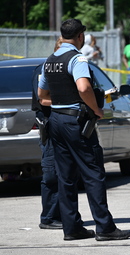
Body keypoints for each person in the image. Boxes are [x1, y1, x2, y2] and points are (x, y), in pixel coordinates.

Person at [38, 18, 130, 241]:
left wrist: (61, 104)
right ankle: (105, 228)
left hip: (57, 122)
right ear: (80, 36)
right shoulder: (77, 58)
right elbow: (84, 87)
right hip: (75, 123)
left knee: (66, 177)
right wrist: (96, 109)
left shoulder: (49, 60)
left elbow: (42, 97)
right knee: (93, 174)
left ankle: (71, 228)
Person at [31, 37, 63, 230]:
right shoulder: (44, 69)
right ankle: (49, 217)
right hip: (50, 126)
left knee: (65, 173)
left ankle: (62, 215)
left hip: (63, 126)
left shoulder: (67, 68)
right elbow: (42, 99)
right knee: (51, 174)